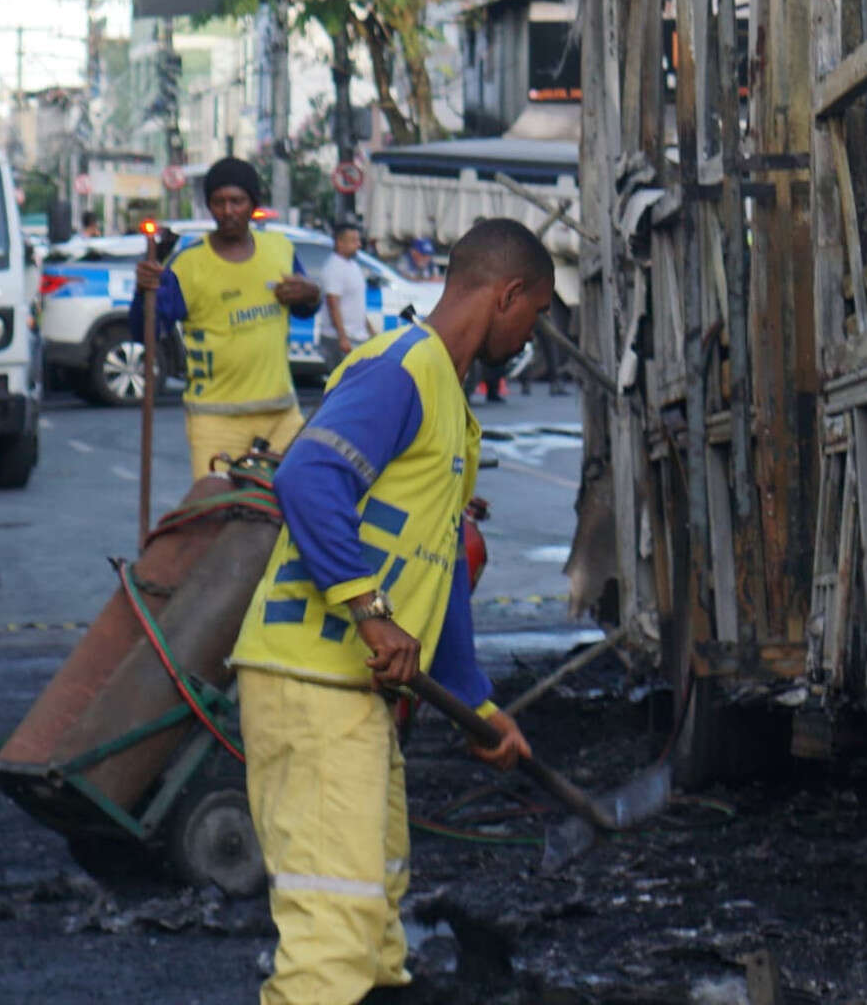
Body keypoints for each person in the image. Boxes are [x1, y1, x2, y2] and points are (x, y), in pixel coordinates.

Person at [232, 219, 561, 1005]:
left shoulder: (448, 399)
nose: (531, 335)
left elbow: (436, 567)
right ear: (507, 293)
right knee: (330, 949)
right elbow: (308, 478)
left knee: (374, 932)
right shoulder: (399, 370)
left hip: (353, 699)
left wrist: (475, 701)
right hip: (311, 683)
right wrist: (373, 613)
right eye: (537, 314)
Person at [149, 157, 318, 482]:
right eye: (219, 202)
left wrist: (312, 294)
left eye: (237, 201)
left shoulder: (280, 249)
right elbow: (148, 328)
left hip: (281, 417)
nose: (227, 211)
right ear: (209, 205)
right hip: (215, 422)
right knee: (215, 517)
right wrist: (146, 292)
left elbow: (304, 307)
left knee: (300, 509)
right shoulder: (188, 265)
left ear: (253, 204)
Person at [315, 224, 381, 357]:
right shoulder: (334, 267)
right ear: (340, 243)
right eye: (353, 241)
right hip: (339, 340)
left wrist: (371, 331)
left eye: (358, 240)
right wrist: (342, 338)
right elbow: (333, 304)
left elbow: (357, 305)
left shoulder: (353, 265)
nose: (359, 245)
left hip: (356, 338)